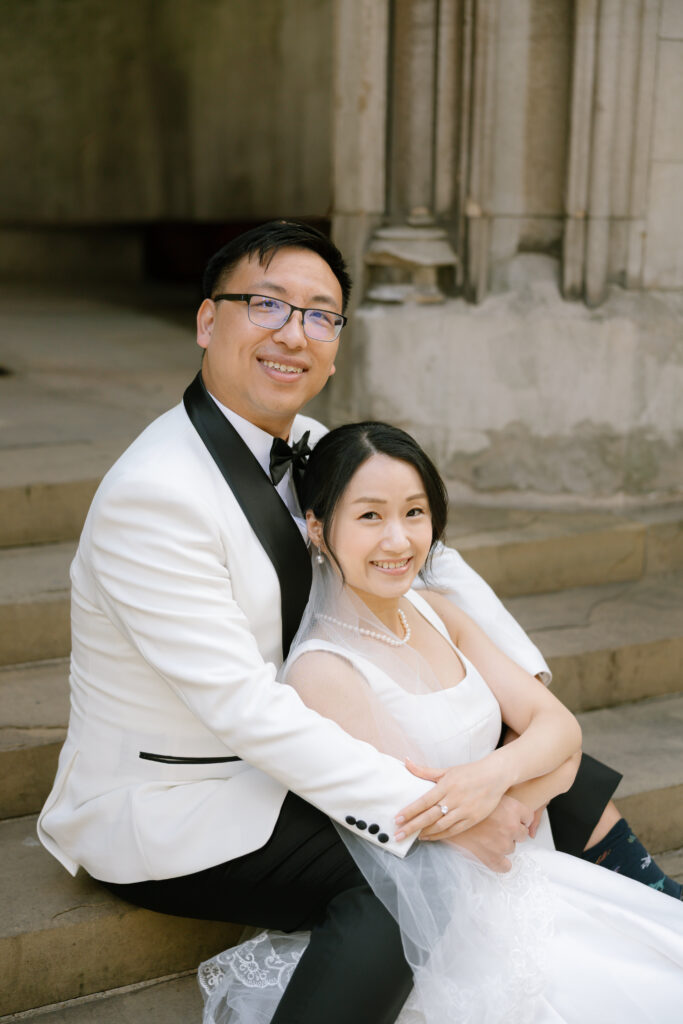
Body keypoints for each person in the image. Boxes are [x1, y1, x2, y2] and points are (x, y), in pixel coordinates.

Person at [36, 222, 677, 1024]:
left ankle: (655, 910)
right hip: (185, 796)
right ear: (208, 322)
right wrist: (441, 821)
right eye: (267, 305)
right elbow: (243, 708)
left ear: (336, 342)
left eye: (319, 314)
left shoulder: (307, 443)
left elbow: (439, 565)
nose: (292, 333)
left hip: (305, 735)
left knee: (516, 750)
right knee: (388, 900)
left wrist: (510, 693)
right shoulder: (154, 495)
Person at [199, 422, 683, 1023]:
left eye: (414, 513)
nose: (398, 540)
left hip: (525, 866)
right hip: (461, 912)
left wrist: (496, 775)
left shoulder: (436, 609)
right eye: (370, 517)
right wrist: (537, 775)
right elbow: (434, 823)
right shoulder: (325, 672)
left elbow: (560, 730)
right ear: (320, 530)